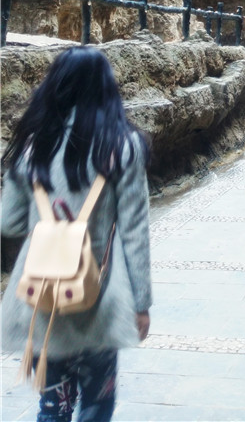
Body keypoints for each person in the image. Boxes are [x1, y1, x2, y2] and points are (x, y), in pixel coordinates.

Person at [1, 47, 152, 422]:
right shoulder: (123, 147)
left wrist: (48, 223)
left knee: (53, 408)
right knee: (98, 402)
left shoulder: (31, 148)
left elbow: (8, 223)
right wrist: (142, 303)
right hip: (99, 298)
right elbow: (134, 231)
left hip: (43, 299)